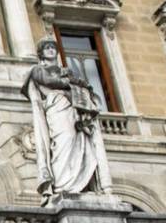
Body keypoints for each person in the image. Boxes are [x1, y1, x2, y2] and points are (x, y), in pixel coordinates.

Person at [21, 35, 113, 205]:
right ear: (41, 53)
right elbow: (49, 81)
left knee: (80, 144)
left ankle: (78, 185)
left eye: (53, 47)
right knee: (64, 141)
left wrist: (71, 82)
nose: (51, 49)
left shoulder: (66, 71)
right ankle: (63, 184)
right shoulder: (38, 70)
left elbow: (81, 85)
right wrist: (71, 82)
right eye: (47, 47)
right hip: (56, 107)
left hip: (72, 109)